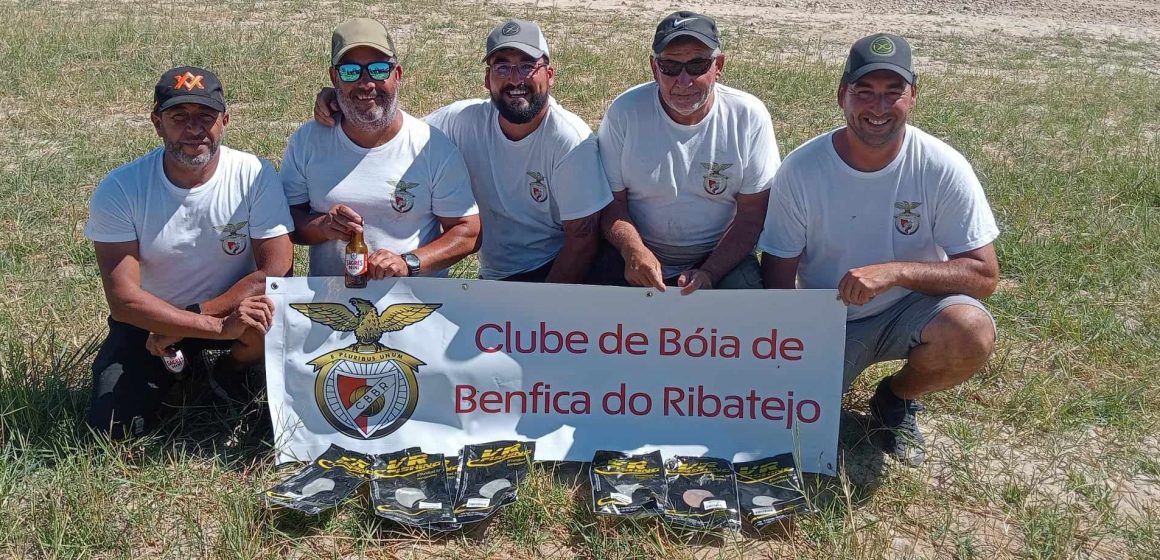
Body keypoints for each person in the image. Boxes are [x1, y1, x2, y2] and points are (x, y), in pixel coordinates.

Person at [759, 33, 1000, 466]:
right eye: (864, 92)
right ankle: (822, 384)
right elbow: (777, 277)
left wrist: (895, 272)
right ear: (841, 95)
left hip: (913, 308)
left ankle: (895, 398)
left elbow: (984, 276)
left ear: (913, 96)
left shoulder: (941, 165)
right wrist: (794, 354)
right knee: (782, 432)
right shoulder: (803, 169)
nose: (878, 108)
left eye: (893, 93)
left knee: (971, 332)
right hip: (828, 319)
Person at [314, 19, 611, 283]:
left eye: (527, 65)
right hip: (497, 276)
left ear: (550, 74)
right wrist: (345, 98)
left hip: (562, 272)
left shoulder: (570, 140)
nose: (515, 79)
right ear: (487, 79)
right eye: (503, 66)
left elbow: (582, 241)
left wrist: (538, 313)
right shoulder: (462, 121)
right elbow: (397, 132)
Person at [84, 66, 294, 439]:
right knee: (112, 427)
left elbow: (276, 271)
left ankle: (230, 375)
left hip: (234, 310)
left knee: (271, 313)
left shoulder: (254, 173)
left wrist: (205, 316)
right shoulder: (121, 187)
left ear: (225, 120)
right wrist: (210, 327)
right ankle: (184, 373)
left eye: (206, 116)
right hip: (154, 320)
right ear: (156, 123)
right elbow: (123, 300)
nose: (194, 129)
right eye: (178, 117)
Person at [594, 11, 780, 294]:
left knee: (745, 305)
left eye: (697, 65)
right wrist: (633, 249)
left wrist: (710, 272)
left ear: (718, 66)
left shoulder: (748, 116)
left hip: (717, 254)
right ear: (654, 68)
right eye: (670, 66)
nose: (683, 81)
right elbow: (611, 204)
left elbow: (753, 214)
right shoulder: (625, 113)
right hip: (636, 249)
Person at [283, 18, 480, 280]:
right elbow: (283, 223)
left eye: (378, 70)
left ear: (397, 74)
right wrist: (322, 227)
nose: (366, 84)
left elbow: (468, 232)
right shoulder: (307, 141)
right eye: (351, 71)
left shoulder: (432, 147)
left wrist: (409, 263)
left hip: (414, 308)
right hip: (329, 305)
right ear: (334, 77)